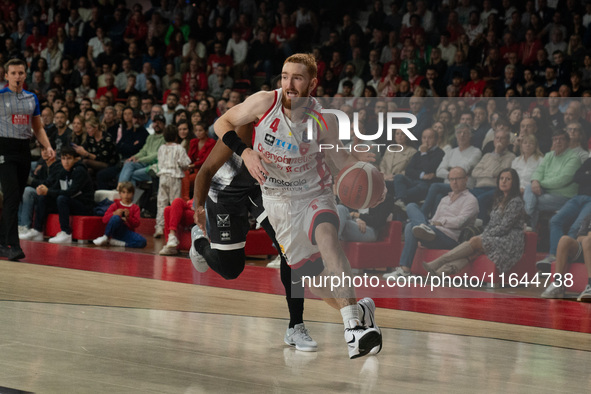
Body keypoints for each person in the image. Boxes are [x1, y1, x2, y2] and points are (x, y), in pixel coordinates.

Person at [210, 53, 383, 359]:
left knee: (329, 240)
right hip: (278, 203)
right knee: (314, 280)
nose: (289, 84)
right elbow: (222, 122)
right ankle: (360, 312)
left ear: (312, 83)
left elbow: (342, 162)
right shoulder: (264, 102)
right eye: (285, 75)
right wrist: (246, 151)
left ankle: (353, 330)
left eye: (298, 77)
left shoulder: (324, 119)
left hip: (314, 194)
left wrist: (369, 182)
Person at [191, 124, 319, 350]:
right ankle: (199, 244)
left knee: (289, 248)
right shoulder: (246, 127)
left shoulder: (302, 132)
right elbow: (206, 171)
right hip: (225, 194)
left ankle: (295, 326)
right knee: (231, 270)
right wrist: (198, 208)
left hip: (260, 189)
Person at [0, 59, 55, 261]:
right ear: (6, 76)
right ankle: (12, 245)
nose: (17, 76)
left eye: (20, 73)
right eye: (13, 73)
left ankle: (1, 241)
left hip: (23, 150)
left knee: (15, 197)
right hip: (3, 149)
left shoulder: (32, 98)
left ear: (25, 75)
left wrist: (47, 146)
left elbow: (38, 127)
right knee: (13, 196)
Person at [423, 168, 526, 276]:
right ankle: (442, 272)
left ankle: (439, 262)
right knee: (472, 254)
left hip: (510, 240)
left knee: (475, 241)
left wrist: (484, 235)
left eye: (508, 179)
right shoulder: (499, 200)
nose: (503, 181)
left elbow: (504, 227)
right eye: (501, 178)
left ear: (514, 182)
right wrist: (486, 234)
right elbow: (492, 224)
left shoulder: (515, 201)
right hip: (497, 237)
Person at [383, 167, 479, 279]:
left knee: (410, 226)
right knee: (411, 207)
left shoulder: (471, 200)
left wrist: (440, 223)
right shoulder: (445, 199)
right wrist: (430, 225)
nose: (454, 182)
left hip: (451, 238)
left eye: (457, 179)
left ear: (466, 179)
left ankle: (421, 231)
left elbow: (460, 222)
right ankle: (422, 229)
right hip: (434, 232)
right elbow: (434, 219)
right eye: (451, 179)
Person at [34, 146, 94, 244]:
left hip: (84, 206)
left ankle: (66, 232)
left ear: (76, 159)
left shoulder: (80, 171)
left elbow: (71, 192)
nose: (66, 162)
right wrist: (43, 189)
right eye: (63, 159)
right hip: (69, 203)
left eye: (69, 158)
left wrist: (48, 191)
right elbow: (55, 188)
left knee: (62, 198)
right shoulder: (63, 172)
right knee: (43, 198)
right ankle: (37, 230)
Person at [541, 212, 591, 302]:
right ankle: (557, 283)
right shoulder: (589, 216)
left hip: (587, 244)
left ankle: (590, 286)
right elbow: (579, 238)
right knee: (564, 239)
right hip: (585, 249)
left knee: (588, 240)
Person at [155, 125, 191, 238]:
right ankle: (173, 228)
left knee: (161, 202)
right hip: (174, 177)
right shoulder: (179, 148)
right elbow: (184, 163)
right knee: (174, 203)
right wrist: (186, 167)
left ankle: (159, 227)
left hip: (163, 177)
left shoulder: (161, 148)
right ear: (176, 136)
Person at [93, 182, 147, 248]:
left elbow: (136, 224)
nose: (126, 195)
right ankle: (106, 236)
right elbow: (104, 219)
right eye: (124, 192)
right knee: (116, 218)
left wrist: (128, 217)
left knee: (142, 242)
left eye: (129, 193)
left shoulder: (135, 207)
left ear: (132, 194)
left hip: (127, 232)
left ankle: (120, 243)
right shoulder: (115, 205)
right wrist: (114, 213)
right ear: (120, 194)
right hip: (114, 231)